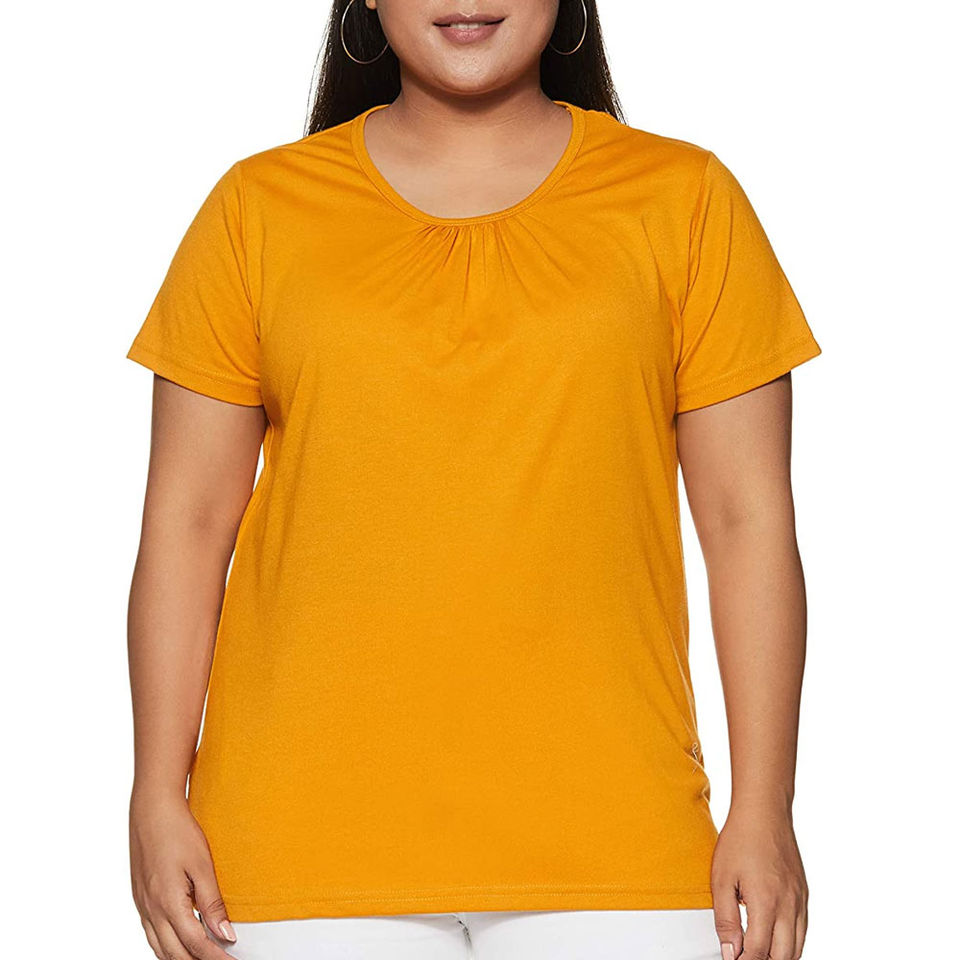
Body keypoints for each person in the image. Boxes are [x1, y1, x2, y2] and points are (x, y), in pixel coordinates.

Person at [125, 1, 820, 958]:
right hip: (293, 852)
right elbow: (187, 525)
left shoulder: (686, 199)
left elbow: (748, 523)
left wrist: (766, 808)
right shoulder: (256, 209)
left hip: (620, 841)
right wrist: (155, 794)